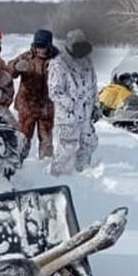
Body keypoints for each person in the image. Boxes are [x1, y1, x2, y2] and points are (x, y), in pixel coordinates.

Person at [47, 29, 98, 175]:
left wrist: (95, 106)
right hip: (68, 117)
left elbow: (93, 86)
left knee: (88, 145)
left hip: (86, 116)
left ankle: (82, 176)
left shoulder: (87, 62)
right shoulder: (58, 64)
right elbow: (55, 91)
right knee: (66, 150)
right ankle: (59, 178)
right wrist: (71, 104)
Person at [8, 29, 59, 159]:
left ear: (49, 45)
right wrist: (16, 67)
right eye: (38, 46)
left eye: (43, 46)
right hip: (27, 106)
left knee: (46, 140)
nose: (40, 50)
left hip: (47, 108)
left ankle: (45, 165)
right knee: (23, 138)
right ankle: (18, 162)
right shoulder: (27, 57)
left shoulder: (57, 60)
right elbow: (9, 70)